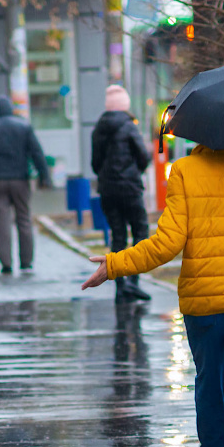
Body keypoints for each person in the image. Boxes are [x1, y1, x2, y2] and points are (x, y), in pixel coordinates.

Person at [82, 145, 224, 447]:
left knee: (210, 379)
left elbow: (167, 243)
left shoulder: (185, 169)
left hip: (204, 301)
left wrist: (114, 265)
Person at [91, 85, 152, 302]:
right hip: (130, 188)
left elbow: (95, 164)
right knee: (140, 231)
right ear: (125, 106)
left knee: (117, 235)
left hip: (107, 190)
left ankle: (120, 286)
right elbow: (143, 156)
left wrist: (107, 177)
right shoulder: (129, 126)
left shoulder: (98, 128)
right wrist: (134, 171)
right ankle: (133, 283)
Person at [0, 96, 50, 274]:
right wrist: (45, 177)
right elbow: (36, 152)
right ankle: (26, 261)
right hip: (20, 180)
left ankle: (6, 263)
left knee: (0, 222)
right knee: (24, 219)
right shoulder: (24, 127)